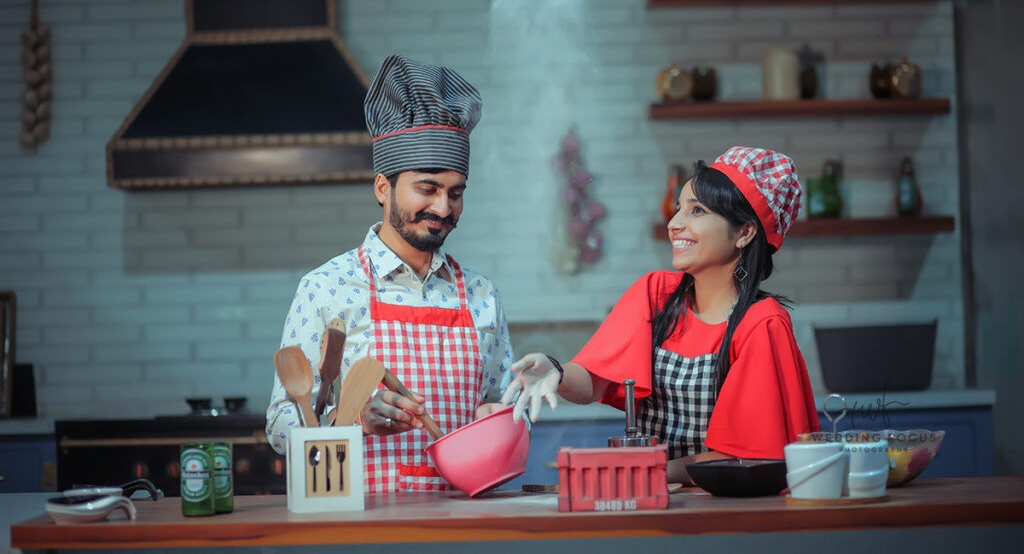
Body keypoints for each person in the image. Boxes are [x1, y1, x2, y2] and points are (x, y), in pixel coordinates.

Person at [266, 55, 514, 492]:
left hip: (466, 520)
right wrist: (355, 421)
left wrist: (506, 418)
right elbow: (282, 425)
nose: (443, 208)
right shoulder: (326, 288)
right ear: (383, 187)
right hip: (360, 526)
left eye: (456, 193)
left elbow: (502, 404)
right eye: (428, 188)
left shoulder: (480, 295)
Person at [503, 146, 820, 485]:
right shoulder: (656, 295)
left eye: (696, 211)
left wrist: (640, 469)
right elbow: (592, 381)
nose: (674, 224)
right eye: (679, 209)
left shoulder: (762, 323)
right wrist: (557, 371)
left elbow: (741, 456)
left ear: (744, 232)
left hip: (721, 507)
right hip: (653, 499)